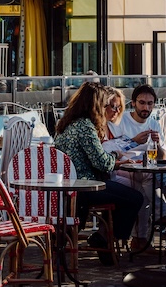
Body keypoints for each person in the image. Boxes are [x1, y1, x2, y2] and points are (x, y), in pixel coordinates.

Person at [54, 82, 143, 264]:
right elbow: (101, 162)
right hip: (84, 186)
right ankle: (105, 239)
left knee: (122, 194)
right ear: (95, 104)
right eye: (104, 104)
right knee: (135, 198)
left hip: (67, 186)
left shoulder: (67, 123)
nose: (106, 108)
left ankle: (104, 237)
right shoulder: (86, 126)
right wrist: (115, 158)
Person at [104, 83, 166, 252]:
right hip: (125, 168)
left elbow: (162, 157)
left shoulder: (154, 124)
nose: (146, 107)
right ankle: (161, 217)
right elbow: (111, 148)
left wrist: (158, 145)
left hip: (150, 170)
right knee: (144, 186)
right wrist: (134, 140)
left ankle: (149, 229)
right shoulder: (121, 119)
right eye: (142, 103)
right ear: (133, 103)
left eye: (150, 103)